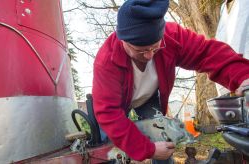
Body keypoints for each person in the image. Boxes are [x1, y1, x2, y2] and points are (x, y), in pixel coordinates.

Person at [92, 0, 249, 162]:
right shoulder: (106, 61)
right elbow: (108, 113)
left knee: (163, 138)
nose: (149, 55)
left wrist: (244, 76)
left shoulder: (171, 36)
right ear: (122, 40)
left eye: (155, 47)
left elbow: (207, 53)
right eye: (140, 50)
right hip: (116, 104)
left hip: (148, 98)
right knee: (109, 148)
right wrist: (148, 149)